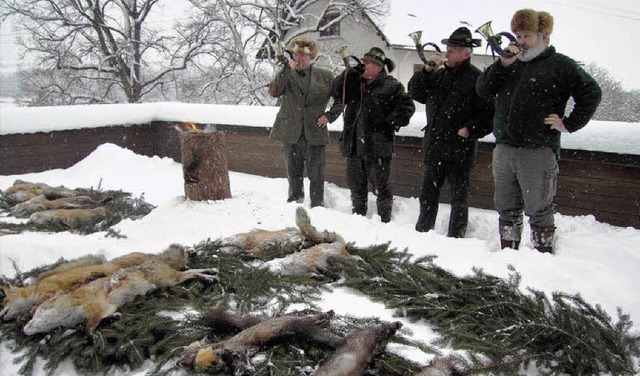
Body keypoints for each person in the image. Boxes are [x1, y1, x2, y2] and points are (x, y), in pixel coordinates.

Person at [476, 9, 601, 253]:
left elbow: (591, 92)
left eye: (527, 36)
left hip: (538, 150)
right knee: (506, 207)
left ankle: (542, 260)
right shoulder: (508, 63)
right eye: (519, 36)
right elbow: (482, 89)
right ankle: (507, 256)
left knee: (539, 209)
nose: (521, 42)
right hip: (504, 148)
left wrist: (569, 123)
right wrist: (502, 64)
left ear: (544, 37)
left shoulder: (560, 64)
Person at [408, 27, 494, 238]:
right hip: (435, 147)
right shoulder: (438, 75)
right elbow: (415, 92)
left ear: (467, 53)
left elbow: (490, 114)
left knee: (459, 199)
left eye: (453, 50)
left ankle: (456, 237)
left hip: (460, 150)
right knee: (427, 195)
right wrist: (427, 70)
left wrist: (470, 129)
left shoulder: (477, 79)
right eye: (448, 49)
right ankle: (423, 232)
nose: (447, 54)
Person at [328, 47, 415, 222]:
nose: (364, 66)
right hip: (353, 145)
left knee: (381, 186)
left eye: (368, 63)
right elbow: (337, 92)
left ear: (379, 67)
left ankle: (384, 222)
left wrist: (389, 121)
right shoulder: (354, 83)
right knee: (356, 187)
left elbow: (407, 108)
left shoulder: (392, 86)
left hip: (377, 147)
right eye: (364, 62)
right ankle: (358, 219)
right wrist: (349, 75)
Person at [268, 37, 338, 207]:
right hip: (291, 132)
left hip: (315, 132)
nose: (298, 59)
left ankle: (317, 206)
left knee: (316, 174)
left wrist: (329, 116)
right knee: (293, 173)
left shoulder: (326, 76)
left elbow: (341, 100)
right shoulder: (287, 73)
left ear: (311, 57)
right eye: (296, 55)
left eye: (302, 56)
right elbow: (274, 92)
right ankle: (294, 203)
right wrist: (285, 69)